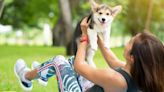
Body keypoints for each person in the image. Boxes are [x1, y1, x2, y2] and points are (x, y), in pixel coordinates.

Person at [14, 17, 164, 92]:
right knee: (72, 61)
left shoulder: (116, 79)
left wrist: (84, 36)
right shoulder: (139, 75)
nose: (127, 43)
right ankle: (43, 73)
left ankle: (26, 77)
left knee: (59, 61)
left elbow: (80, 67)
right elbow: (112, 60)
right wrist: (97, 39)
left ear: (133, 57)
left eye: (130, 42)